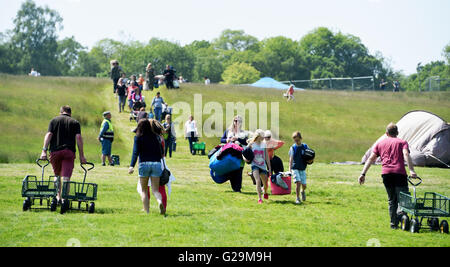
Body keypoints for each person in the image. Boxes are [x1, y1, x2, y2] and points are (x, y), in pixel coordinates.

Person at [358, 123, 418, 229]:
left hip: (386, 174)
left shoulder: (380, 143)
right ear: (397, 133)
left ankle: (393, 224)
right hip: (399, 173)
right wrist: (412, 170)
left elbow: (371, 159)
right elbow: (406, 154)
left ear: (386, 133)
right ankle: (401, 215)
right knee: (404, 198)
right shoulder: (402, 142)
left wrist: (363, 173)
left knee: (392, 199)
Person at [40, 105, 87, 204]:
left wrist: (44, 151)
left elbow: (49, 135)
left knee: (56, 175)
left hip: (55, 152)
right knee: (66, 177)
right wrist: (81, 155)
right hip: (69, 152)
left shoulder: (54, 121)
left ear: (61, 112)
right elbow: (78, 138)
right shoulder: (75, 122)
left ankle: (58, 198)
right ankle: (65, 199)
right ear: (70, 113)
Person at [129, 119, 166, 215]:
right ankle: (159, 202)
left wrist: (131, 166)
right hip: (156, 164)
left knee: (144, 190)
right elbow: (162, 152)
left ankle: (146, 211)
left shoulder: (138, 138)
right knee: (155, 190)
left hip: (144, 164)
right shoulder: (156, 137)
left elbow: (135, 152)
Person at [220, 115, 248, 192]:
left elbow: (246, 142)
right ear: (233, 121)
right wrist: (227, 140)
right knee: (232, 170)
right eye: (235, 120)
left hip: (239, 153)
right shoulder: (228, 131)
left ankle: (238, 188)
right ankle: (234, 187)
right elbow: (221, 139)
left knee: (239, 170)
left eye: (239, 121)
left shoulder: (243, 133)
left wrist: (238, 138)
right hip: (229, 154)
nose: (237, 122)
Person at [248, 130, 271, 204]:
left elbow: (266, 156)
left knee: (265, 183)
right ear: (258, 136)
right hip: (254, 165)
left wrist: (269, 167)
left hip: (262, 165)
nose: (263, 137)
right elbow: (246, 152)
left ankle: (265, 192)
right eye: (262, 136)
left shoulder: (264, 144)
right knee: (258, 180)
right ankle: (259, 198)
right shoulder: (252, 144)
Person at [289, 131, 312, 204]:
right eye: (295, 140)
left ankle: (302, 191)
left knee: (304, 185)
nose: (296, 141)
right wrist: (290, 169)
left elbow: (310, 155)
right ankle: (297, 198)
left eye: (298, 140)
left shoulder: (305, 146)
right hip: (295, 167)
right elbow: (291, 159)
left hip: (302, 168)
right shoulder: (293, 147)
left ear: (300, 138)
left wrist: (311, 160)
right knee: (298, 182)